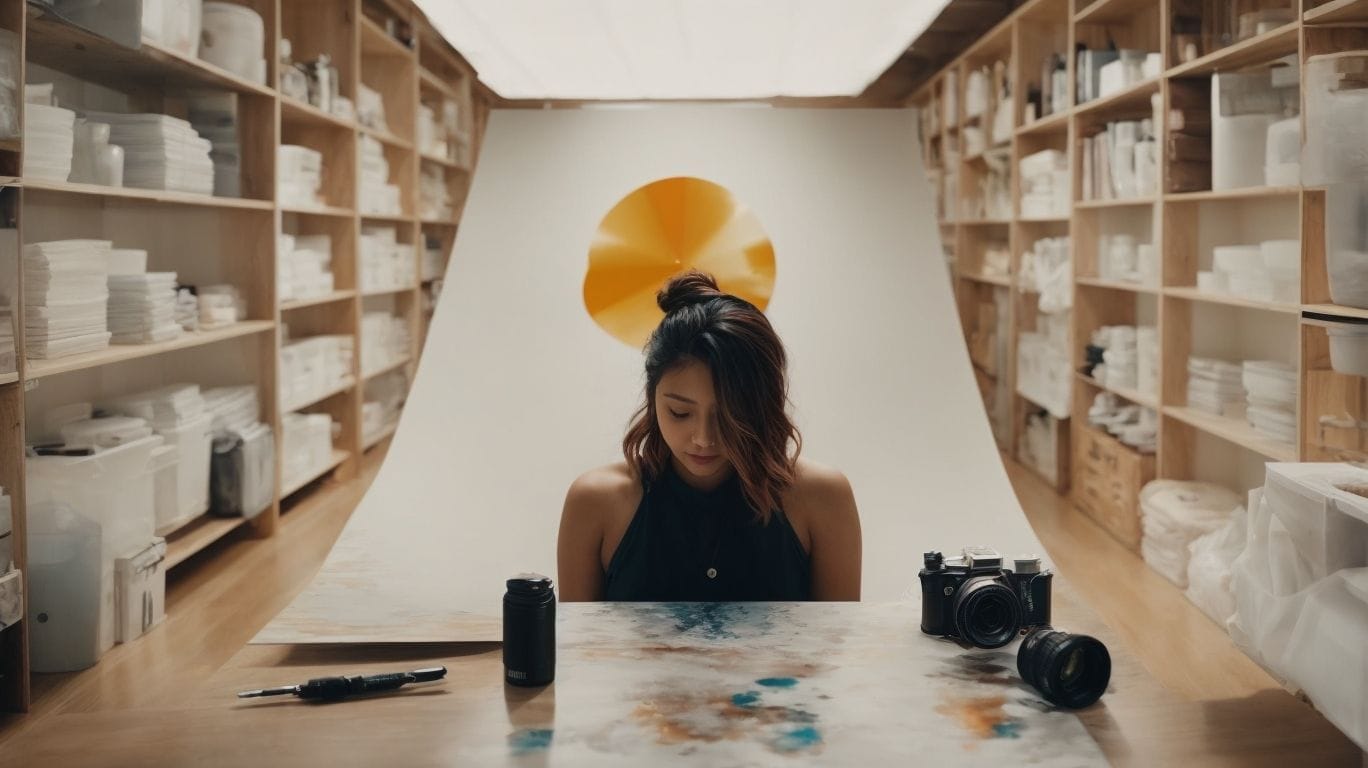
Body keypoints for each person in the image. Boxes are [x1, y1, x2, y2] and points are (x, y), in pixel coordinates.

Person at [557, 269, 862, 601]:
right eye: (680, 413)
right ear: (652, 397)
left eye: (728, 415)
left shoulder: (822, 498)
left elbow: (836, 650)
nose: (703, 438)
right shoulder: (596, 502)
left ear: (762, 406)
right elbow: (579, 650)